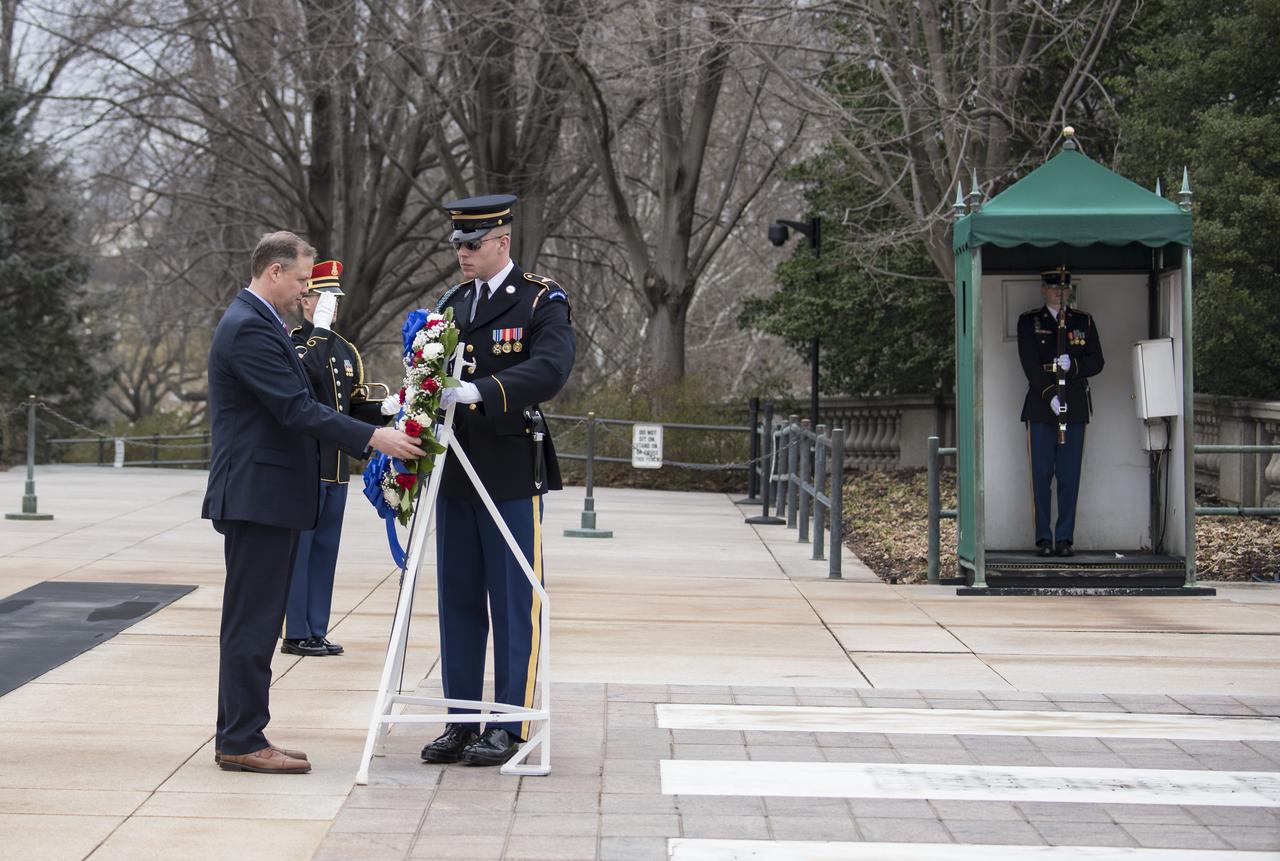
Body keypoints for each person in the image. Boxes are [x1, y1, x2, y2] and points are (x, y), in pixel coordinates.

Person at [203, 231, 425, 775]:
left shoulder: (262, 323)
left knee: (255, 621)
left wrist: (393, 413)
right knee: (253, 625)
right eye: (302, 279)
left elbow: (318, 401)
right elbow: (296, 409)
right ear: (273, 272)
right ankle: (241, 739)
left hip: (268, 495)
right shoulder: (249, 328)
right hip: (258, 497)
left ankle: (242, 732)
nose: (308, 290)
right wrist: (375, 440)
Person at [419, 194, 575, 767]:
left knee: (513, 601)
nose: (462, 253)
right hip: (455, 467)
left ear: (502, 242)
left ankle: (511, 722)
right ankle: (460, 718)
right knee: (458, 600)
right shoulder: (452, 304)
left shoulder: (539, 299)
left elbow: (551, 367)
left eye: (473, 244)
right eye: (457, 244)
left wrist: (480, 391)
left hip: (508, 468)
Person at [281, 260, 389, 658]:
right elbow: (303, 379)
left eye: (335, 299)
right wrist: (320, 331)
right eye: (323, 297)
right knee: (301, 552)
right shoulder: (294, 342)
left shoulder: (345, 350)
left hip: (336, 467)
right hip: (305, 465)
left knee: (325, 551)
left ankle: (316, 628)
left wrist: (390, 411)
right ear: (305, 300)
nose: (332, 306)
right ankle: (296, 630)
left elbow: (352, 406)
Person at [1016, 266, 1105, 558]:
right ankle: (1044, 538)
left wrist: (1074, 366)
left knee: (1069, 476)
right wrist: (1050, 395)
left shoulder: (1084, 321)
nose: (1059, 292)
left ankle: (1064, 538)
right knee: (1041, 475)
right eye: (1054, 287)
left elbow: (1098, 361)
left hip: (1075, 406)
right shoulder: (1030, 322)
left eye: (1064, 288)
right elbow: (1030, 365)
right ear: (1044, 289)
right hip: (1042, 408)